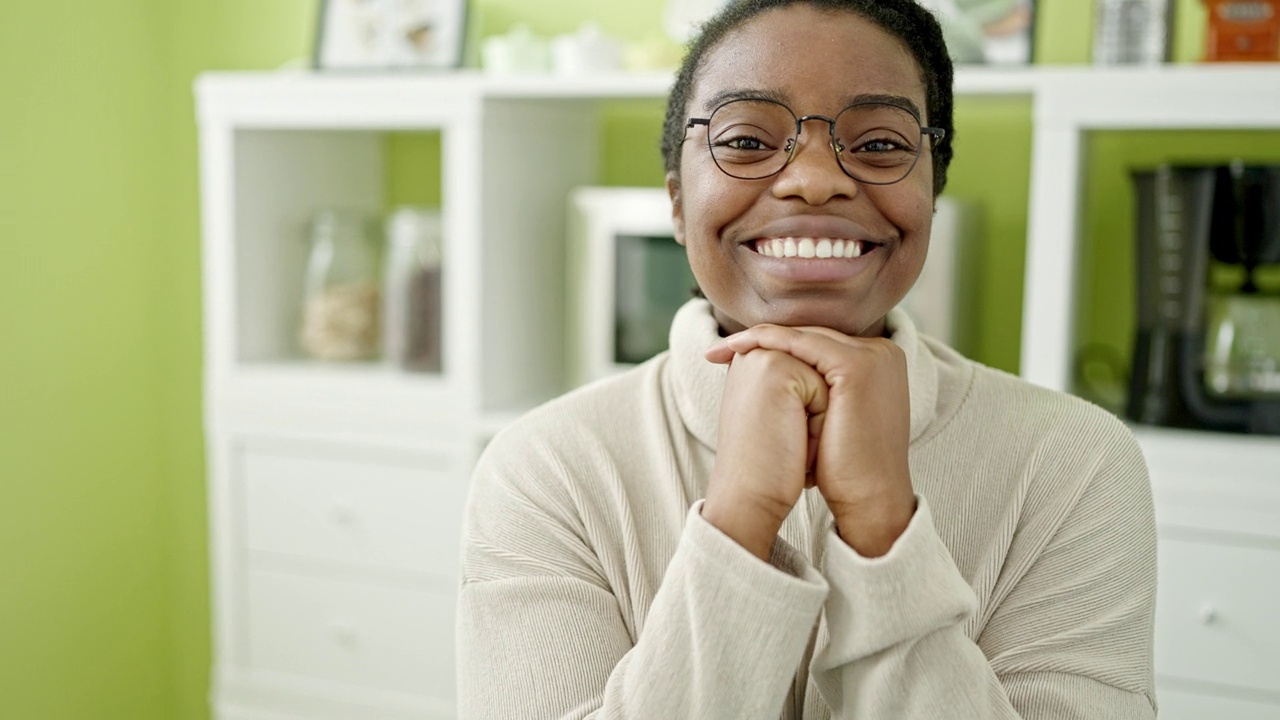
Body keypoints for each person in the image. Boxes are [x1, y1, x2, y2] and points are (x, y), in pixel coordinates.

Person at [456, 0, 1158, 717]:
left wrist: (885, 530)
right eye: (747, 140)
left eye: (881, 144)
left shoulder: (1072, 461)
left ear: (932, 195)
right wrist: (738, 521)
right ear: (676, 203)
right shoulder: (547, 470)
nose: (815, 179)